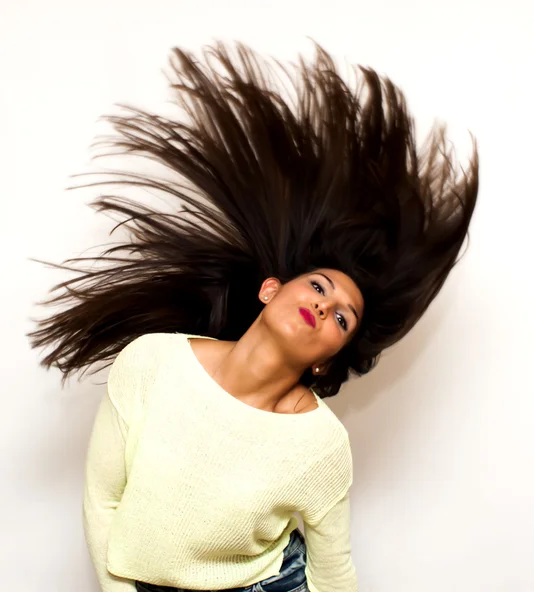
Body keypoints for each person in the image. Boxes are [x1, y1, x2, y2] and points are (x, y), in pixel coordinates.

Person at [29, 42, 479, 592]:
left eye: (343, 319)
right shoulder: (153, 361)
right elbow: (103, 502)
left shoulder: (321, 444)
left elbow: (332, 569)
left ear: (327, 363)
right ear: (270, 290)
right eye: (319, 286)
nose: (324, 305)